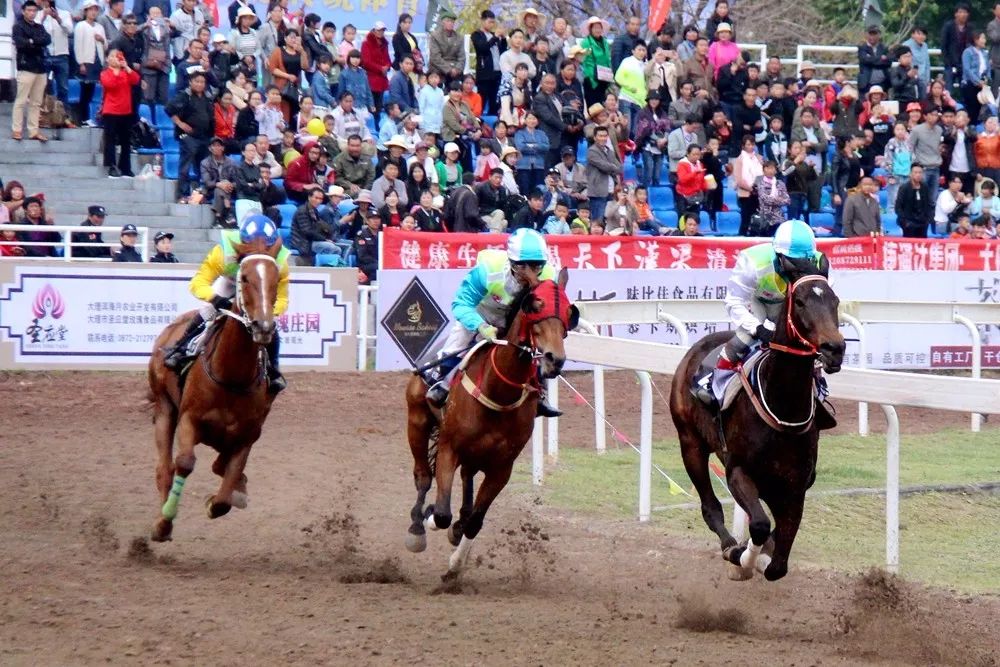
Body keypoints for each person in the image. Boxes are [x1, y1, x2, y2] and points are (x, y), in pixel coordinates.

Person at [424, 227, 562, 417]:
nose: (529, 273)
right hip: (483, 316)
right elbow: (461, 303)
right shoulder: (487, 271)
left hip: (517, 323)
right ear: (511, 261)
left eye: (536, 266)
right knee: (459, 340)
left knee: (539, 347)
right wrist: (481, 326)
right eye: (522, 266)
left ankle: (539, 395)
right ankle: (441, 382)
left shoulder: (548, 275)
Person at [693, 220, 827, 408]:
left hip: (794, 304)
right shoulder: (753, 261)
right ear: (778, 255)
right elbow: (734, 301)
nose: (798, 266)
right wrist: (756, 327)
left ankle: (818, 382)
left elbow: (822, 307)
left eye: (803, 260)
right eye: (792, 260)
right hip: (759, 303)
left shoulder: (820, 262)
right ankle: (714, 383)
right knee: (744, 338)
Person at [163, 213, 289, 394]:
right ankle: (180, 349)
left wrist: (268, 311)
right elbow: (198, 283)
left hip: (257, 291)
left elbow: (282, 298)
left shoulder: (280, 262)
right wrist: (215, 298)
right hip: (230, 283)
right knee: (207, 312)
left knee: (271, 327)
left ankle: (273, 370)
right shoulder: (222, 253)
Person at [167, 70, 215, 202]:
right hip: (188, 136)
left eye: (202, 82)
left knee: (204, 167)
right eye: (197, 81)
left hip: (204, 137)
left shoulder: (207, 97)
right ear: (190, 82)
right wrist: (180, 123)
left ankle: (202, 195)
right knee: (185, 167)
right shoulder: (184, 96)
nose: (200, 84)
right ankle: (182, 194)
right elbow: (169, 108)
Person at [12, 0, 52, 142]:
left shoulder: (39, 27)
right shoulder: (18, 26)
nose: (31, 13)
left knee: (36, 102)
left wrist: (32, 41)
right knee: (21, 100)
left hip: (40, 66)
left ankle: (33, 131)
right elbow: (21, 43)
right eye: (28, 10)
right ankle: (17, 129)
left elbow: (47, 39)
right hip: (26, 66)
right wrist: (34, 42)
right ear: (23, 11)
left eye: (34, 11)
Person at [100, 48, 140, 178]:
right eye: (113, 56)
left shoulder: (125, 73)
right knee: (110, 140)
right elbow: (110, 85)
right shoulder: (105, 73)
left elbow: (135, 80)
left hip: (125, 110)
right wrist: (116, 71)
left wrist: (126, 67)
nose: (116, 58)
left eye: (118, 56)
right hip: (111, 110)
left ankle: (125, 167)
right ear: (108, 59)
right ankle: (111, 165)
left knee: (125, 141)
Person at [74, 0, 106, 126]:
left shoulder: (100, 27)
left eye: (95, 10)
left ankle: (87, 118)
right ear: (86, 11)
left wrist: (102, 40)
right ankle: (83, 118)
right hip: (86, 61)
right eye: (91, 9)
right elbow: (78, 45)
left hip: (97, 62)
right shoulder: (81, 26)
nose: (93, 12)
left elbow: (105, 46)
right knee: (85, 91)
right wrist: (81, 62)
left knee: (91, 91)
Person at [39, 0, 72, 114]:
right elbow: (34, 28)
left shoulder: (64, 14)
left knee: (63, 87)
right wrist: (43, 16)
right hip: (45, 54)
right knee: (43, 86)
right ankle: (44, 114)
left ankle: (64, 116)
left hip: (61, 55)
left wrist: (58, 18)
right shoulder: (39, 14)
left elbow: (69, 30)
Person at [471, 10, 506, 116]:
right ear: (482, 21)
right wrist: (495, 37)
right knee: (481, 102)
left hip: (496, 73)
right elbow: (482, 48)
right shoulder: (477, 34)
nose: (491, 25)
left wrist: (503, 39)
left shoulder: (493, 35)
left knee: (494, 103)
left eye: (493, 22)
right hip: (484, 75)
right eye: (489, 22)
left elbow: (503, 51)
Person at [585, 126, 621, 220]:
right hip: (598, 192)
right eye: (600, 136)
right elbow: (604, 166)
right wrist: (612, 166)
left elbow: (620, 168)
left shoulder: (610, 151)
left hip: (611, 191)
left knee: (609, 220)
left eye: (605, 136)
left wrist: (611, 167)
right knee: (598, 220)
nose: (603, 138)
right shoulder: (592, 151)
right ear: (595, 137)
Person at [360, 21, 391, 127]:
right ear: (373, 31)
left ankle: (377, 128)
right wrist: (380, 68)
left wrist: (387, 66)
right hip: (371, 80)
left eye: (383, 30)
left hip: (381, 80)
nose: (381, 32)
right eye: (379, 30)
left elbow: (387, 59)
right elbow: (366, 62)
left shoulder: (384, 44)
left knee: (379, 107)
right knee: (370, 106)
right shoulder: (366, 44)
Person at [910, 106, 944, 202]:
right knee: (921, 196)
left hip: (936, 167)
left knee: (933, 198)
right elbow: (910, 147)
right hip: (923, 167)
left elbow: (940, 145)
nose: (934, 117)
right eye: (931, 115)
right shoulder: (917, 130)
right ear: (925, 116)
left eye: (936, 115)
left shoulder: (939, 130)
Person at [580, 17, 612, 107]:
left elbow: (607, 59)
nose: (597, 30)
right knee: (593, 105)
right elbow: (585, 60)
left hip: (604, 76)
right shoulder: (586, 42)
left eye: (599, 27)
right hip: (591, 77)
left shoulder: (605, 42)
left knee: (602, 104)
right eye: (595, 27)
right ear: (590, 29)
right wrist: (591, 75)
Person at [942, 4, 974, 92]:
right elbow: (944, 45)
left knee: (965, 89)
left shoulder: (970, 27)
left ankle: (963, 106)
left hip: (965, 64)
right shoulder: (948, 26)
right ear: (955, 14)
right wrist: (947, 62)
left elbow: (973, 44)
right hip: (950, 63)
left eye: (965, 12)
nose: (963, 14)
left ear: (968, 14)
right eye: (960, 12)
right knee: (948, 90)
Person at [428, 9, 465, 85]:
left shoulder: (459, 37)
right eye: (448, 21)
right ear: (442, 22)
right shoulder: (435, 36)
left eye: (452, 22)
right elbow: (435, 57)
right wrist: (448, 69)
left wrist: (457, 69)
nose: (450, 23)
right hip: (439, 68)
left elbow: (462, 57)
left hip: (455, 69)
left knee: (460, 83)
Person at [895, 164, 933, 237]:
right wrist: (905, 222)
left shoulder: (925, 187)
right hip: (909, 223)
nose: (918, 175)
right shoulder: (904, 188)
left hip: (923, 222)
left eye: (920, 172)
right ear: (910, 174)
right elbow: (898, 207)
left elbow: (929, 204)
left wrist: (928, 218)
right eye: (915, 172)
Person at [962, 30, 991, 121]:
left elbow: (987, 68)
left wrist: (987, 79)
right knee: (971, 109)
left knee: (980, 109)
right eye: (982, 38)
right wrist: (977, 81)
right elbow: (967, 69)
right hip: (970, 84)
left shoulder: (984, 53)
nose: (984, 40)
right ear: (975, 39)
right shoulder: (968, 52)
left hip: (982, 85)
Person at [857, 25, 890, 94]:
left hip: (883, 83)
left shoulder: (884, 48)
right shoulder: (862, 47)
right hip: (866, 83)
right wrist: (880, 59)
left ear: (879, 35)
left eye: (874, 34)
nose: (872, 37)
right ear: (867, 35)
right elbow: (865, 60)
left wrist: (872, 59)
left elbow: (889, 62)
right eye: (870, 34)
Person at [355, 210, 380, 284]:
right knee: (378, 268)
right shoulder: (362, 235)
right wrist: (378, 262)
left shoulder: (382, 234)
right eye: (373, 219)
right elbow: (362, 256)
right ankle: (366, 287)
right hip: (365, 265)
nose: (376, 221)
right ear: (367, 221)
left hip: (379, 263)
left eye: (377, 219)